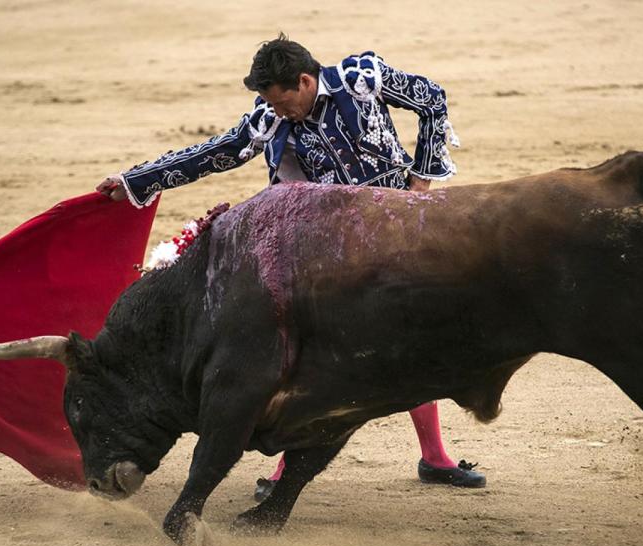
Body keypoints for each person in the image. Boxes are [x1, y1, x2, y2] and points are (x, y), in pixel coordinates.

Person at [95, 34, 485, 500]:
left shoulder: (362, 78)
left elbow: (432, 99)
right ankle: (285, 472)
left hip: (394, 233)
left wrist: (421, 180)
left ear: (304, 81)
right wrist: (136, 181)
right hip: (325, 250)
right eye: (271, 104)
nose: (278, 112)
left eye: (282, 102)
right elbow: (214, 153)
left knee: (409, 335)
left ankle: (435, 457)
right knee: (311, 355)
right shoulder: (270, 117)